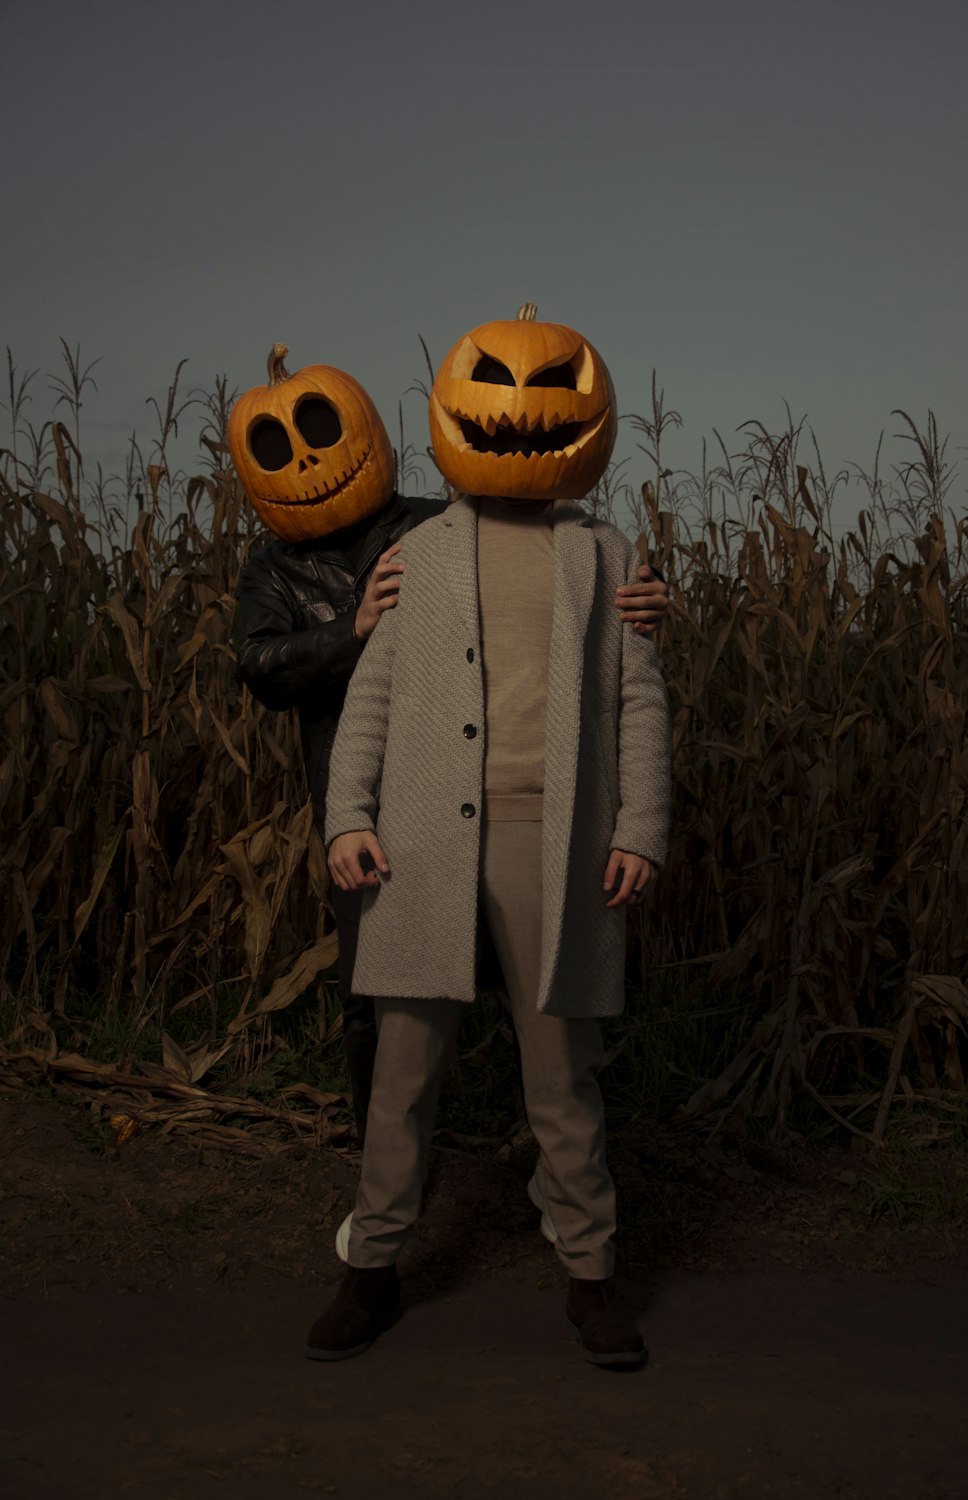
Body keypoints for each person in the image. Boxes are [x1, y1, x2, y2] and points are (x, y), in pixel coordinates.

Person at [308, 310, 671, 1368]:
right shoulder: (416, 553)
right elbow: (369, 703)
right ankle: (370, 1271)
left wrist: (640, 827)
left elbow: (638, 706)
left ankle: (591, 1278)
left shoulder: (606, 557)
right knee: (403, 1074)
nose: (520, 412)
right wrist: (348, 818)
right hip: (419, 841)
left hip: (552, 842)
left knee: (562, 1076)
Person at [233, 357, 669, 1152]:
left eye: (324, 431)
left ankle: (531, 1147)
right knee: (378, 997)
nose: (304, 462)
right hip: (370, 804)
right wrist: (351, 629)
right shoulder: (272, 569)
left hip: (497, 795)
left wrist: (644, 592)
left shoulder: (435, 528)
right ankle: (389, 1175)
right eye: (275, 447)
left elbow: (543, 552)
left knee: (520, 987)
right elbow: (260, 669)